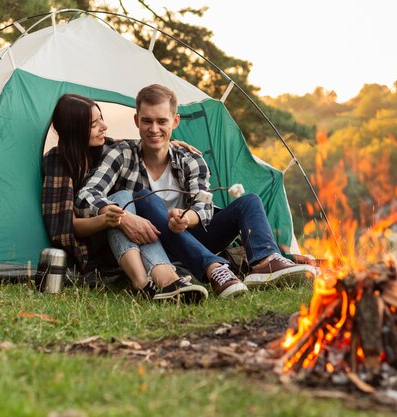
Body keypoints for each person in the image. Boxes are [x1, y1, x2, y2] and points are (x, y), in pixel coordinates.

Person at [76, 84, 315, 298]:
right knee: (143, 198)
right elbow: (85, 196)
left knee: (249, 201)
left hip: (192, 235)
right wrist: (121, 215)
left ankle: (264, 263)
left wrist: (185, 219)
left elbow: (203, 206)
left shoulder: (190, 159)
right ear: (137, 120)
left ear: (175, 122)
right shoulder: (121, 154)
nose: (154, 129)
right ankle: (215, 269)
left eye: (162, 121)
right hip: (152, 243)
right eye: (147, 121)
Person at [41, 93, 208, 303]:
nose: (104, 126)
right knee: (122, 197)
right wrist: (116, 218)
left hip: (122, 237)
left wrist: (170, 142)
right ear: (74, 129)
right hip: (91, 242)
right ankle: (145, 282)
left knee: (130, 208)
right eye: (94, 124)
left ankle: (166, 280)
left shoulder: (106, 148)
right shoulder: (59, 162)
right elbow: (64, 229)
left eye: (101, 118)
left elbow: (142, 144)